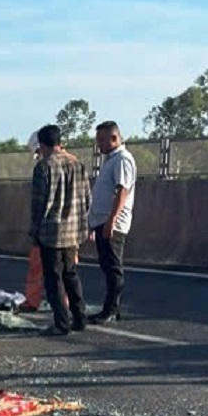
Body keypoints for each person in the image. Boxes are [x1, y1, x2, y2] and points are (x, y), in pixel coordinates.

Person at [29, 124, 90, 336]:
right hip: (73, 231)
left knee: (53, 279)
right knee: (71, 274)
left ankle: (61, 322)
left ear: (43, 145)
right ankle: (80, 317)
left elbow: (38, 204)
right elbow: (87, 199)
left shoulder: (43, 167)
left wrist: (34, 232)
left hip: (51, 232)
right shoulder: (78, 164)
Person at [88, 121, 137, 324]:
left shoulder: (122, 160)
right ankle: (109, 308)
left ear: (114, 138)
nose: (98, 145)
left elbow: (121, 191)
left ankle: (111, 309)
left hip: (113, 223)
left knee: (113, 267)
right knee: (107, 267)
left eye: (101, 140)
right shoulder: (110, 160)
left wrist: (111, 221)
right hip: (102, 221)